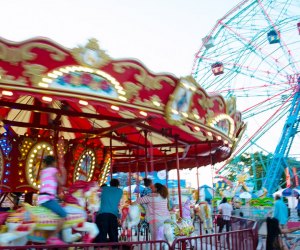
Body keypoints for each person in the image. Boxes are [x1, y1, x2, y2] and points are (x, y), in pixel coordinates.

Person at [37, 155, 67, 245]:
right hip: (48, 199)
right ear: (53, 163)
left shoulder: (43, 172)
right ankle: (53, 237)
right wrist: (64, 172)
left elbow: (50, 184)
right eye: (55, 162)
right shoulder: (53, 170)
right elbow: (62, 182)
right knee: (63, 214)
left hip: (42, 198)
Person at [94, 178, 123, 243]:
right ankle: (114, 246)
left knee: (101, 233)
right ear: (118, 184)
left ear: (110, 184)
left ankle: (99, 246)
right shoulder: (120, 191)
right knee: (113, 234)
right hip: (113, 214)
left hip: (102, 214)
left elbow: (97, 194)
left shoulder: (104, 189)